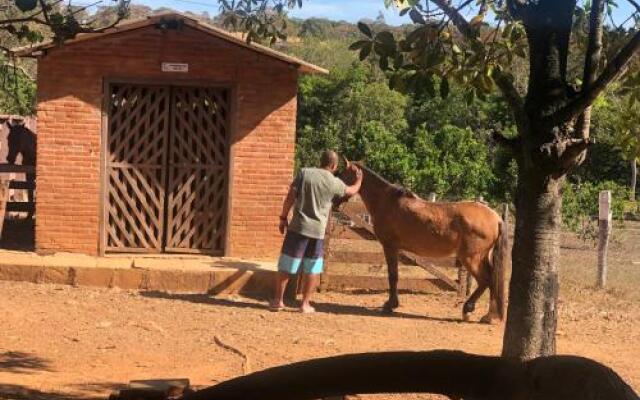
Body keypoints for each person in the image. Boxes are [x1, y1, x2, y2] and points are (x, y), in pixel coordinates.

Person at [270, 150, 362, 313]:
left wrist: (283, 217)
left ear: (320, 161)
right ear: (333, 165)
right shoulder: (333, 182)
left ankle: (278, 301)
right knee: (312, 268)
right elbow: (351, 191)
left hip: (298, 228)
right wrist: (359, 180)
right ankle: (305, 304)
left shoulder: (305, 173)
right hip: (317, 232)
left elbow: (290, 196)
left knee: (286, 264)